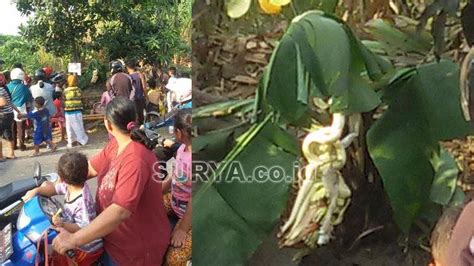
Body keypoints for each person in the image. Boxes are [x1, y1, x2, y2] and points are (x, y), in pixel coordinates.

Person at [52, 97, 171, 265]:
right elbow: (89, 169)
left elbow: (120, 211)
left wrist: (74, 239)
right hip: (112, 241)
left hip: (135, 250)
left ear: (107, 124)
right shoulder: (115, 145)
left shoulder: (136, 159)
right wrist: (52, 186)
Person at [22, 152, 104, 265]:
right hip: (73, 235)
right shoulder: (71, 186)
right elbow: (54, 189)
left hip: (86, 248)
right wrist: (37, 191)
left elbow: (83, 227)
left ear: (61, 177)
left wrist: (63, 225)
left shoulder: (82, 202)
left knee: (63, 259)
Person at [162, 109, 192, 265]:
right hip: (174, 201)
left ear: (179, 133)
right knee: (144, 205)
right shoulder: (182, 148)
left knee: (174, 259)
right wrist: (159, 189)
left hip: (190, 215)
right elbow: (176, 174)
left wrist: (182, 229)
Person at [7, 68, 32, 151]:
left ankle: (13, 145)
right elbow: (29, 98)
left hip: (10, 109)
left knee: (12, 128)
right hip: (21, 109)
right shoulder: (24, 87)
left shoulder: (7, 86)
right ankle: (21, 145)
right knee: (21, 128)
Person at [63, 74, 88, 148]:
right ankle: (81, 141)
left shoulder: (65, 91)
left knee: (69, 127)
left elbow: (63, 99)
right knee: (79, 126)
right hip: (78, 111)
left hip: (68, 112)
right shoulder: (78, 90)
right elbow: (81, 98)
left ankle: (71, 141)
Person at [0, 73, 20, 161]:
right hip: (9, 114)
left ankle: (0, 156)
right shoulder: (4, 88)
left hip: (3, 115)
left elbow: (3, 103)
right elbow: (10, 102)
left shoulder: (0, 90)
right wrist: (18, 111)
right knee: (8, 134)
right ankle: (12, 154)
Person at [126, 59, 147, 124]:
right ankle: (143, 130)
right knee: (141, 116)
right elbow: (144, 87)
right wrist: (146, 96)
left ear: (127, 68)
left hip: (132, 99)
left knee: (134, 117)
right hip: (140, 98)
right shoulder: (140, 75)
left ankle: (136, 131)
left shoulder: (127, 77)